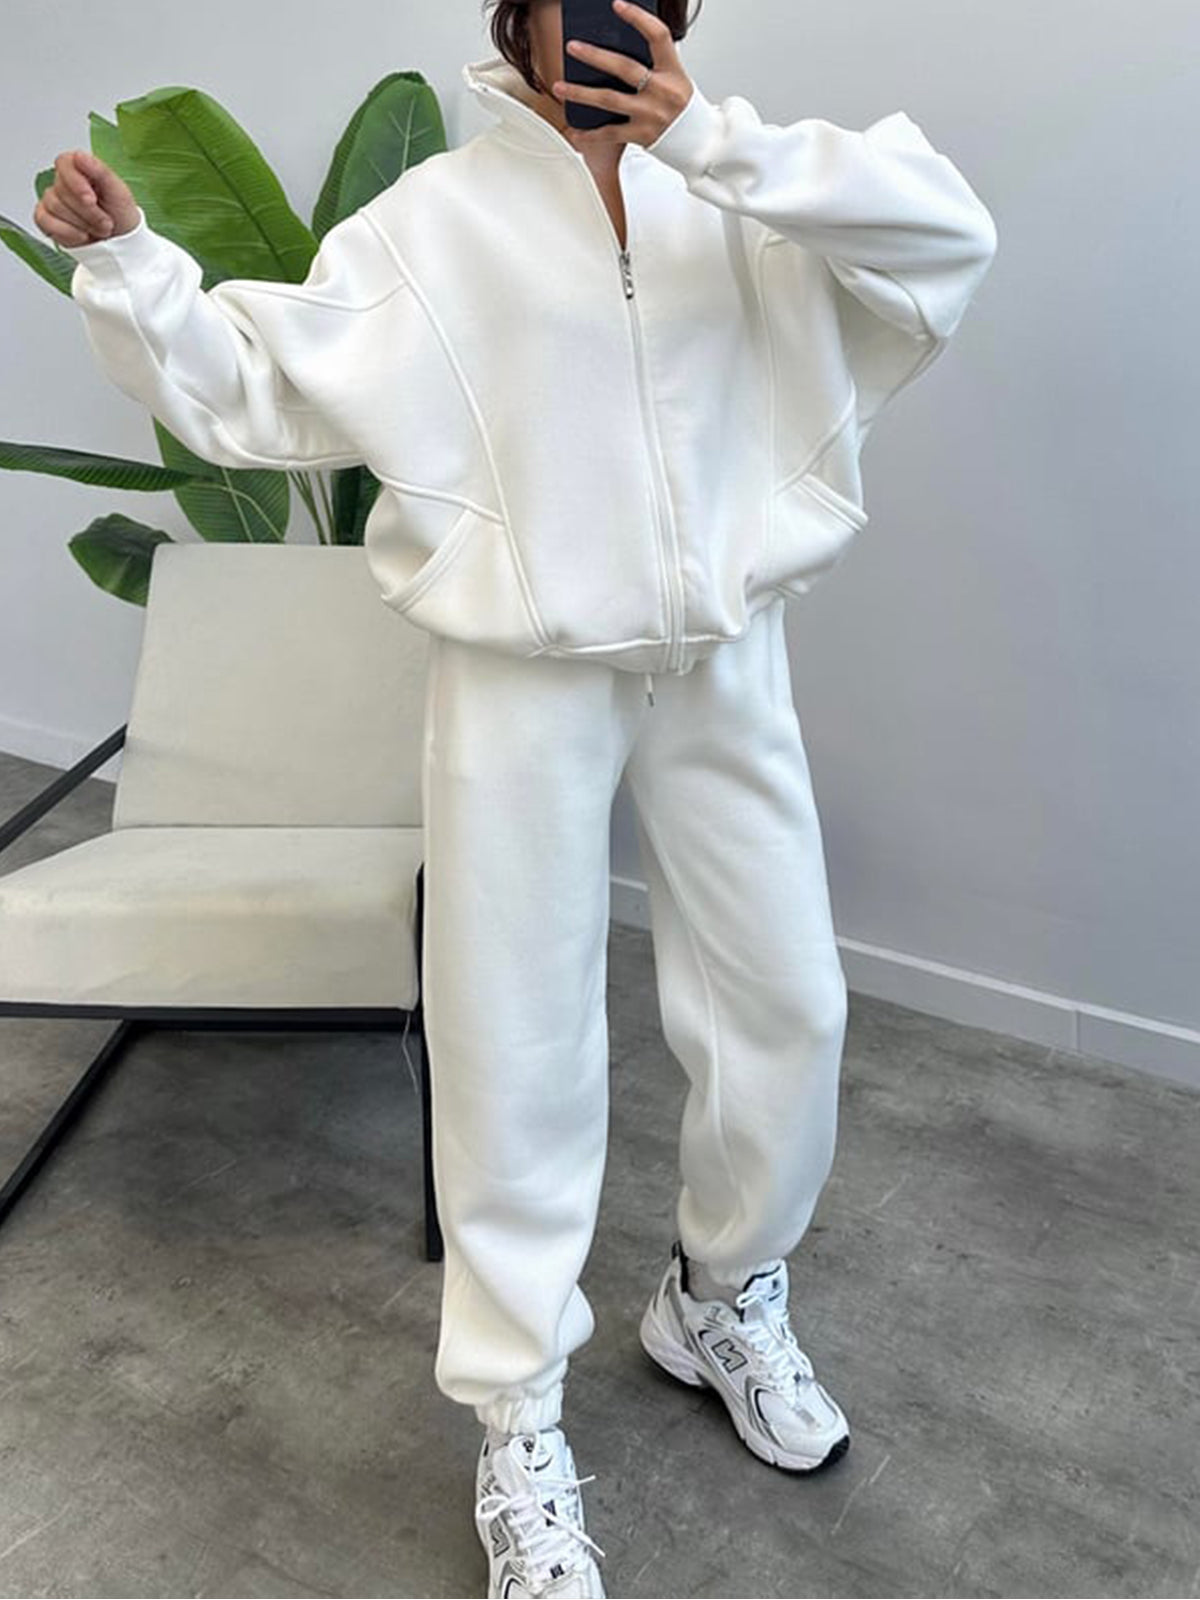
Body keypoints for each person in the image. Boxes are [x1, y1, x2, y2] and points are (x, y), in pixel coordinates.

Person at [38, 1, 997, 1593]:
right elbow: (253, 389)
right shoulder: (438, 221)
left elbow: (947, 241)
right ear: (518, 17)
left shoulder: (740, 183)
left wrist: (711, 141)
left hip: (723, 653)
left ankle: (719, 1297)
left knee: (788, 1005)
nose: (593, 21)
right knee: (517, 1037)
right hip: (519, 676)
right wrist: (137, 270)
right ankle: (518, 1416)